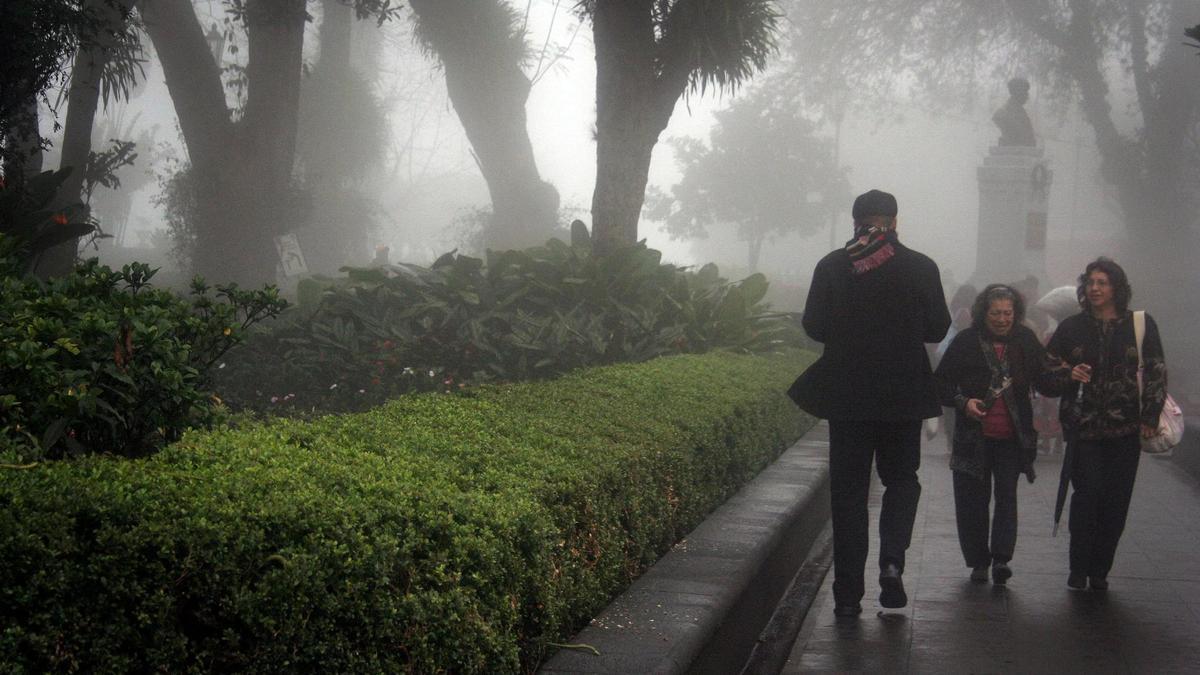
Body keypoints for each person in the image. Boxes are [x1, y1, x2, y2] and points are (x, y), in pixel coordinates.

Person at [788, 189, 951, 617]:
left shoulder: (832, 266)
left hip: (848, 398)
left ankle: (846, 593)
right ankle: (892, 561)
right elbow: (937, 329)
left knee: (849, 493)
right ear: (895, 222)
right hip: (903, 397)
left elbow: (814, 326)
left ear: (855, 221)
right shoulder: (921, 267)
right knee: (901, 479)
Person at [1046, 257, 1167, 591]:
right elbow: (1046, 370)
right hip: (1083, 427)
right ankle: (1078, 567)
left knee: (1116, 500)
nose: (1095, 288)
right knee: (1087, 495)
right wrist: (1068, 375)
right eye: (1090, 282)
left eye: (1103, 282)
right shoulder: (1072, 327)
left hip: (1125, 429)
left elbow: (1156, 370)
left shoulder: (1140, 324)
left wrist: (1150, 416)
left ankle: (1100, 570)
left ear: (1117, 288)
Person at [934, 284, 1065, 585]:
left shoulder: (1026, 341)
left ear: (1015, 313)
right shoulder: (966, 341)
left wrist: (1069, 375)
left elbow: (1046, 381)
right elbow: (940, 383)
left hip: (1011, 438)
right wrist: (963, 402)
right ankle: (979, 560)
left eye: (1008, 313)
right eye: (996, 313)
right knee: (972, 501)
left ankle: (1002, 558)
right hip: (972, 438)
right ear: (984, 313)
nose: (1003, 319)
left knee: (1006, 497)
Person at [992, 77, 1036, 147]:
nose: (1027, 96)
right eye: (1025, 92)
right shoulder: (1002, 113)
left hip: (1024, 152)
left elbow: (1029, 138)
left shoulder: (1022, 113)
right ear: (1017, 92)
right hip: (1011, 150)